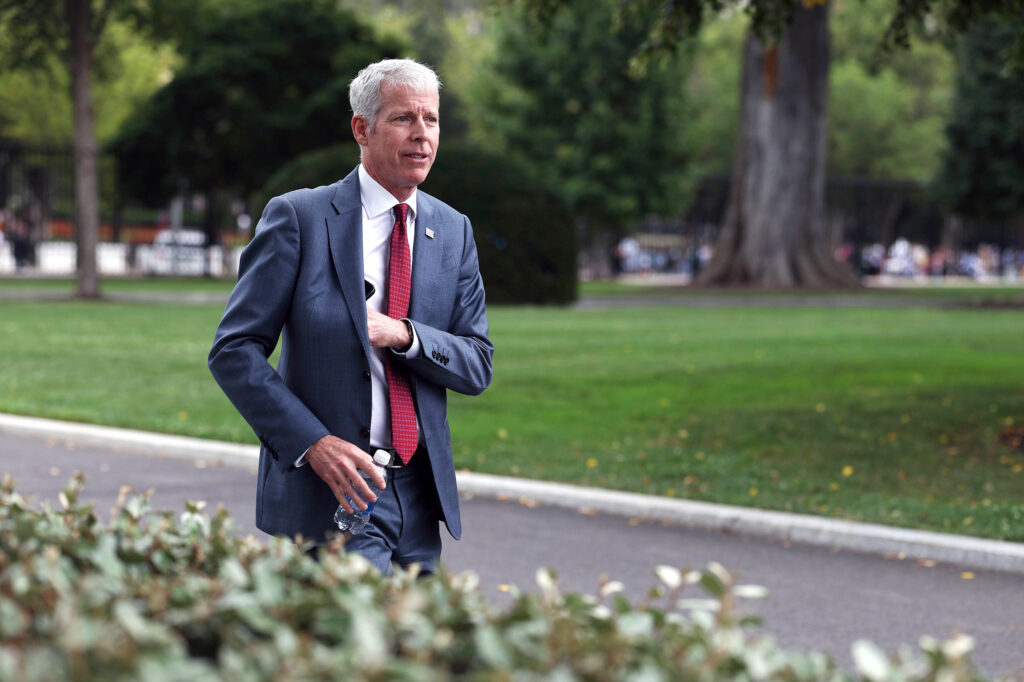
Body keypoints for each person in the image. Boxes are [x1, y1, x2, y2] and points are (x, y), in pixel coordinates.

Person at [209, 58, 493, 575]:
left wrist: (403, 334)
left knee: (420, 650)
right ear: (362, 129)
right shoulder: (299, 217)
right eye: (404, 118)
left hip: (419, 498)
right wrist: (313, 444)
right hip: (334, 493)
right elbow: (233, 351)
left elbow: (476, 363)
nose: (422, 135)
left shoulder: (454, 230)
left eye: (431, 120)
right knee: (358, 649)